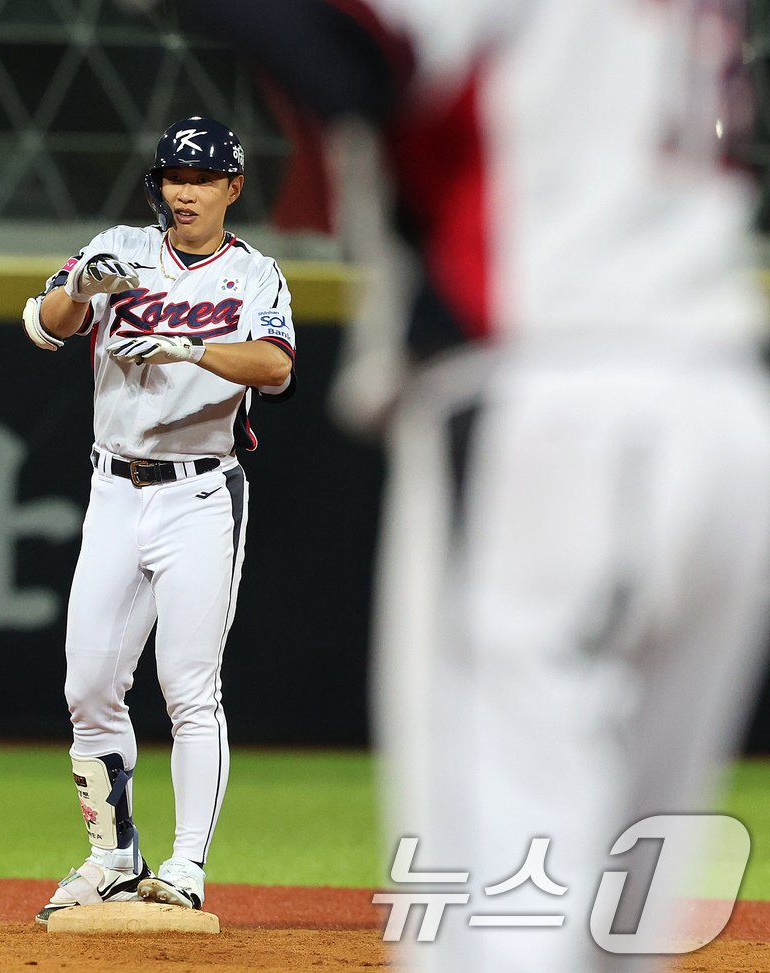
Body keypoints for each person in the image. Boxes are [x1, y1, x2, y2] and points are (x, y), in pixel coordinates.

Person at [169, 1, 770, 970]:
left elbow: (352, 57)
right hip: (719, 407)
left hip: (546, 397)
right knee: (614, 930)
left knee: (497, 934)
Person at [20, 116, 296, 922]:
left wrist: (185, 345)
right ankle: (113, 855)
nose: (185, 190)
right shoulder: (121, 248)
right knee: (88, 685)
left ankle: (184, 864)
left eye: (203, 178)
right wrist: (80, 288)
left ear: (232, 188)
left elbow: (275, 368)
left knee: (188, 685)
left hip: (201, 494)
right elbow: (41, 328)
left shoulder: (255, 275)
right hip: (114, 489)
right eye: (175, 175)